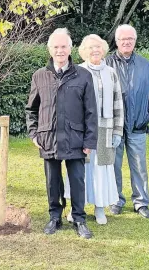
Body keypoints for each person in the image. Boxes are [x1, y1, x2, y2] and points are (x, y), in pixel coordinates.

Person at [26, 28, 98, 239]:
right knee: (52, 181)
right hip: (48, 138)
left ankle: (79, 219)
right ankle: (54, 217)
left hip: (75, 139)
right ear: (50, 49)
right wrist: (33, 134)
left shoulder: (84, 76)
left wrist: (90, 140)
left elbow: (91, 111)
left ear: (70, 48)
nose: (60, 50)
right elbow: (31, 109)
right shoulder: (39, 75)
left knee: (77, 180)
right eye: (56, 47)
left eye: (63, 46)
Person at [65, 34, 124, 225]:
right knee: (79, 169)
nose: (95, 50)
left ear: (104, 49)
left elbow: (118, 104)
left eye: (98, 47)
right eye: (91, 47)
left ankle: (100, 209)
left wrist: (117, 131)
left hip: (105, 129)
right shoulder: (77, 71)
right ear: (84, 51)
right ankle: (76, 209)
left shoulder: (111, 73)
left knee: (102, 169)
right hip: (82, 131)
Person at [105, 24, 149, 219]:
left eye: (130, 39)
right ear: (117, 41)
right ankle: (116, 200)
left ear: (135, 41)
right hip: (114, 128)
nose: (126, 42)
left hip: (138, 126)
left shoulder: (146, 66)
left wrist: (147, 115)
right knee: (113, 165)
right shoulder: (106, 64)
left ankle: (141, 202)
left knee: (139, 166)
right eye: (122, 39)